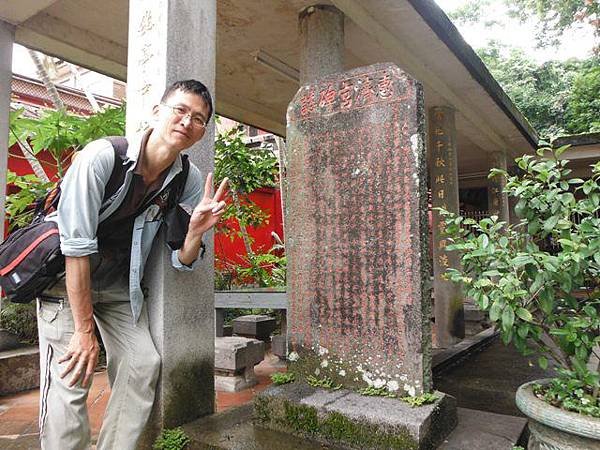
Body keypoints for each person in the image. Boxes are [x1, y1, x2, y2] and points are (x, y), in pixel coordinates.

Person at [36, 79, 227, 450]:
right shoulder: (101, 158)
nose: (188, 122)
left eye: (199, 119)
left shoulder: (187, 179)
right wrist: (83, 329)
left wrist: (195, 234)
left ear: (203, 132)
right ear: (157, 112)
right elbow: (75, 246)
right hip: (66, 283)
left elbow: (182, 260)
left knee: (142, 365)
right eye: (181, 110)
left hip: (119, 288)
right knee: (72, 379)